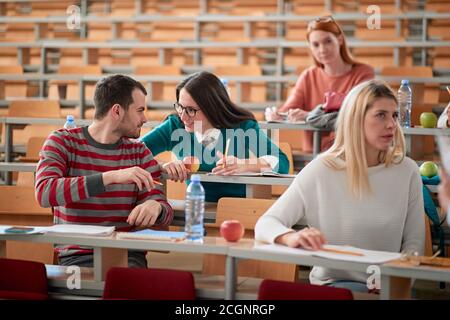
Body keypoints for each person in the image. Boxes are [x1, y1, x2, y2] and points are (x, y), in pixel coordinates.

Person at [256, 79, 425, 292]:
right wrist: (292, 237)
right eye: (381, 115)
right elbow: (266, 223)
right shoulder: (321, 169)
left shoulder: (407, 170)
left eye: (394, 115)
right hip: (332, 288)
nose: (392, 124)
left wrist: (398, 281)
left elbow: (414, 245)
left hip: (387, 288)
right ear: (355, 120)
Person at [35, 74, 173, 268]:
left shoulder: (139, 152)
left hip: (126, 256)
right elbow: (44, 192)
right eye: (140, 110)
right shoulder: (62, 141)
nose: (145, 118)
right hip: (78, 255)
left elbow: (164, 208)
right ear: (117, 111)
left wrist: (156, 207)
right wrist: (110, 177)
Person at [140, 71, 289, 202]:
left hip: (239, 207)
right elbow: (133, 153)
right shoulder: (175, 126)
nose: (183, 117)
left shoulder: (243, 127)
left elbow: (282, 163)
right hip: (196, 205)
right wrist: (163, 165)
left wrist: (244, 165)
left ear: (212, 107)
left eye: (191, 110)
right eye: (180, 107)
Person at [266, 15, 375, 153]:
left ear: (340, 39)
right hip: (313, 157)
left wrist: (309, 116)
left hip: (350, 154)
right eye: (316, 44)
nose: (322, 49)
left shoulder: (364, 73)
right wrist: (278, 115)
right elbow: (289, 109)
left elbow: (357, 112)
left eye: (328, 41)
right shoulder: (308, 76)